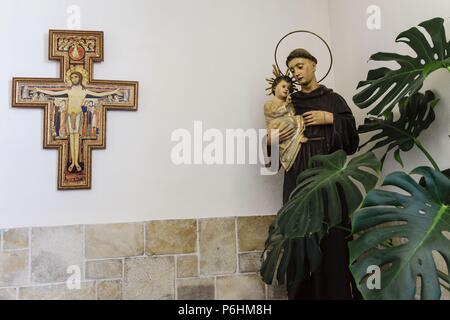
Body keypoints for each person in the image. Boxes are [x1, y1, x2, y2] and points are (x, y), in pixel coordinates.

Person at [268, 48, 360, 300]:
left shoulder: (334, 101)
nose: (296, 72)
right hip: (297, 183)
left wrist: (330, 118)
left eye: (300, 65)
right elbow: (273, 162)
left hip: (329, 182)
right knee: (299, 243)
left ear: (314, 64)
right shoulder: (288, 105)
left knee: (333, 243)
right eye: (293, 69)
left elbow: (352, 142)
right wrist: (271, 140)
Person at [34, 68, 122, 172]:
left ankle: (76, 161)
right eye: (71, 77)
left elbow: (99, 94)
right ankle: (73, 162)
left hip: (78, 115)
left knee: (77, 139)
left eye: (75, 77)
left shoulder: (85, 91)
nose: (73, 79)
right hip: (70, 115)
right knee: (72, 139)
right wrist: (40, 90)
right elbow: (53, 93)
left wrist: (114, 91)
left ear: (80, 78)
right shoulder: (69, 90)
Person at [264, 69, 307, 172]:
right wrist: (286, 106)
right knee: (294, 120)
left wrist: (289, 105)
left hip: (287, 128)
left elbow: (291, 114)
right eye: (283, 86)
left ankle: (296, 139)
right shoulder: (269, 104)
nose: (286, 89)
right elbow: (274, 112)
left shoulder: (290, 104)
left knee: (298, 119)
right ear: (274, 87)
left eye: (288, 88)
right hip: (275, 127)